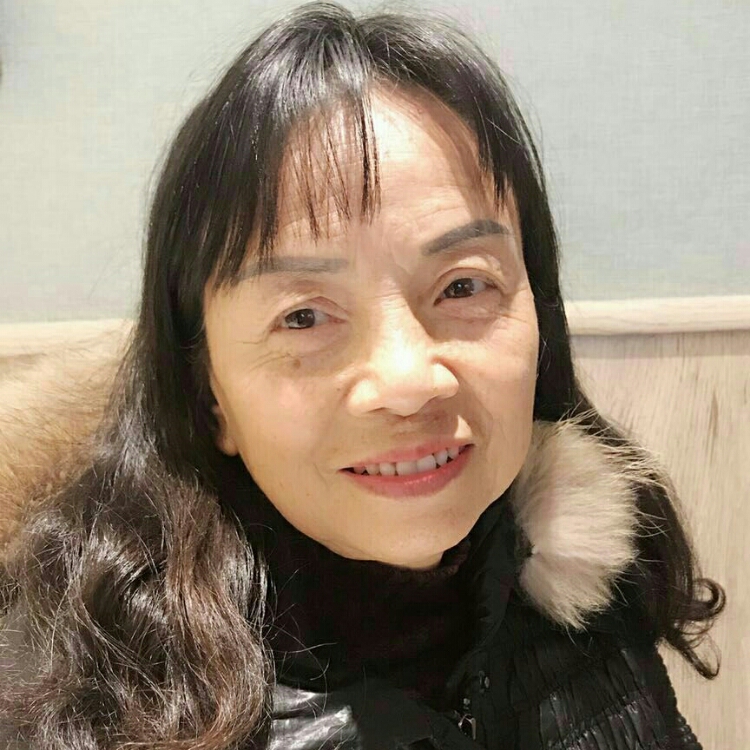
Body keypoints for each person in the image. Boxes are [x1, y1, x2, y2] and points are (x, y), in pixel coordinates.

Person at [0, 3, 724, 748]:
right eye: (304, 317)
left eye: (463, 286)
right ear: (208, 394)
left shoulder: (577, 576)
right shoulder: (77, 700)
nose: (409, 381)